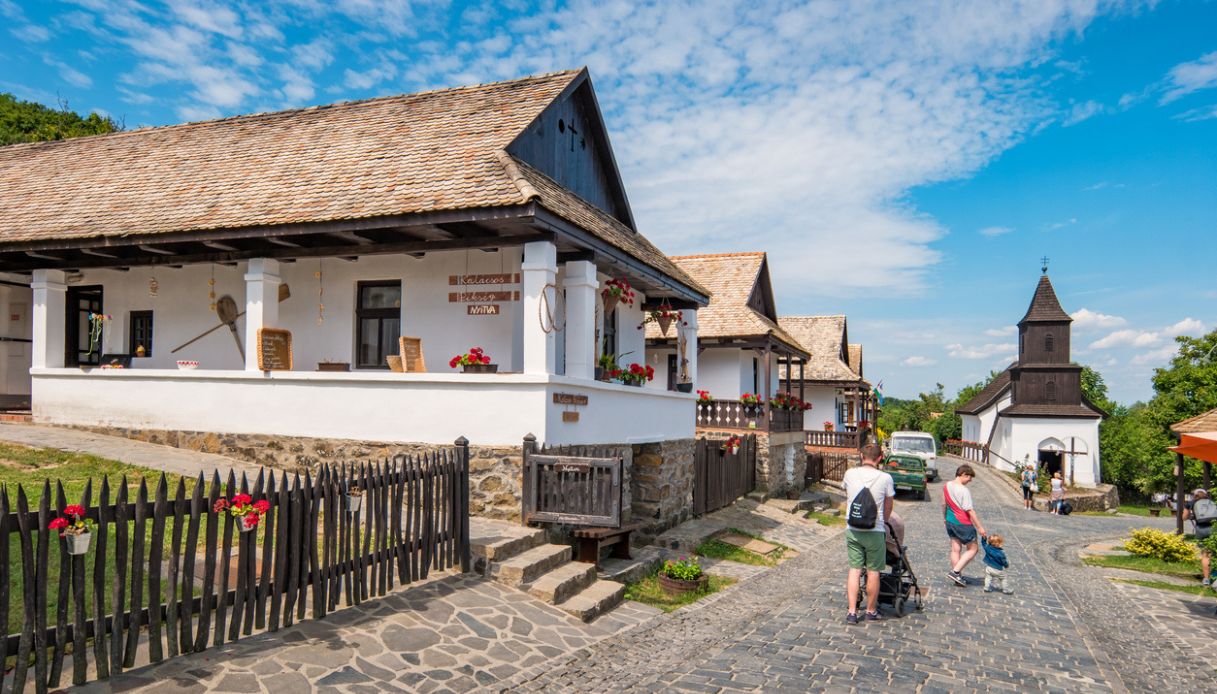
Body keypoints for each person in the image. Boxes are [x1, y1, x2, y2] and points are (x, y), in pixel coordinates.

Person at [843, 443, 896, 624]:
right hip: (875, 530)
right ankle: (871, 611)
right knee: (873, 572)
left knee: (855, 569)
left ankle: (851, 612)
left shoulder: (850, 474)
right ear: (880, 458)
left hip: (853, 529)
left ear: (861, 456)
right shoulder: (886, 478)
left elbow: (848, 494)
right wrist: (885, 521)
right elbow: (889, 504)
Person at [943, 464, 987, 587]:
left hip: (950, 521)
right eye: (969, 477)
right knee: (973, 549)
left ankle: (958, 577)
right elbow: (970, 511)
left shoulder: (947, 485)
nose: (970, 480)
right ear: (963, 475)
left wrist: (944, 518)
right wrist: (980, 527)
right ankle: (956, 572)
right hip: (963, 523)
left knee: (955, 549)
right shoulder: (964, 490)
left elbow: (943, 503)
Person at [1183, 488, 1215, 587]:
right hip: (1213, 528)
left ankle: (1206, 580)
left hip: (1201, 529)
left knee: (1205, 555)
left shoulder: (1190, 503)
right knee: (1214, 554)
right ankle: (1214, 576)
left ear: (1195, 495)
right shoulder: (1211, 502)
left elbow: (1184, 517)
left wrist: (1192, 515)